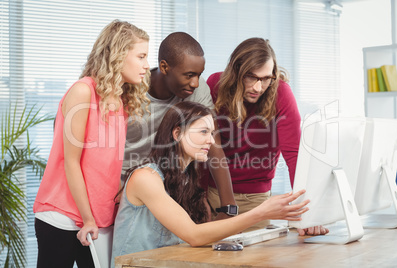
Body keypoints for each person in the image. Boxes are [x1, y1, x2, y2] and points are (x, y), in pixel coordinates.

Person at [111, 101, 309, 267]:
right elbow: (194, 235)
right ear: (177, 133)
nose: (211, 141)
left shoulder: (185, 178)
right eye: (204, 132)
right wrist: (261, 213)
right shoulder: (145, 178)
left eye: (212, 133)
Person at [33, 20, 150, 267]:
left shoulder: (120, 100)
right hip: (63, 217)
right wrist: (88, 219)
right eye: (141, 56)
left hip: (97, 221)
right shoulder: (83, 92)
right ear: (118, 55)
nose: (146, 65)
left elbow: (104, 164)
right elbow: (71, 162)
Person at [202, 37, 329, 235]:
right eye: (251, 77)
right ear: (236, 72)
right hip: (215, 195)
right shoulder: (215, 85)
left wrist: (308, 213)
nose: (258, 88)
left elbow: (294, 154)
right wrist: (200, 196)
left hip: (257, 201)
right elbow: (204, 146)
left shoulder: (281, 93)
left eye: (266, 78)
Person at [122, 32, 236, 219]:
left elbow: (213, 145)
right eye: (189, 75)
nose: (195, 83)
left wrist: (229, 207)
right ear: (164, 67)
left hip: (170, 188)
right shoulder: (131, 88)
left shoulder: (196, 90)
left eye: (199, 75)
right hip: (129, 191)